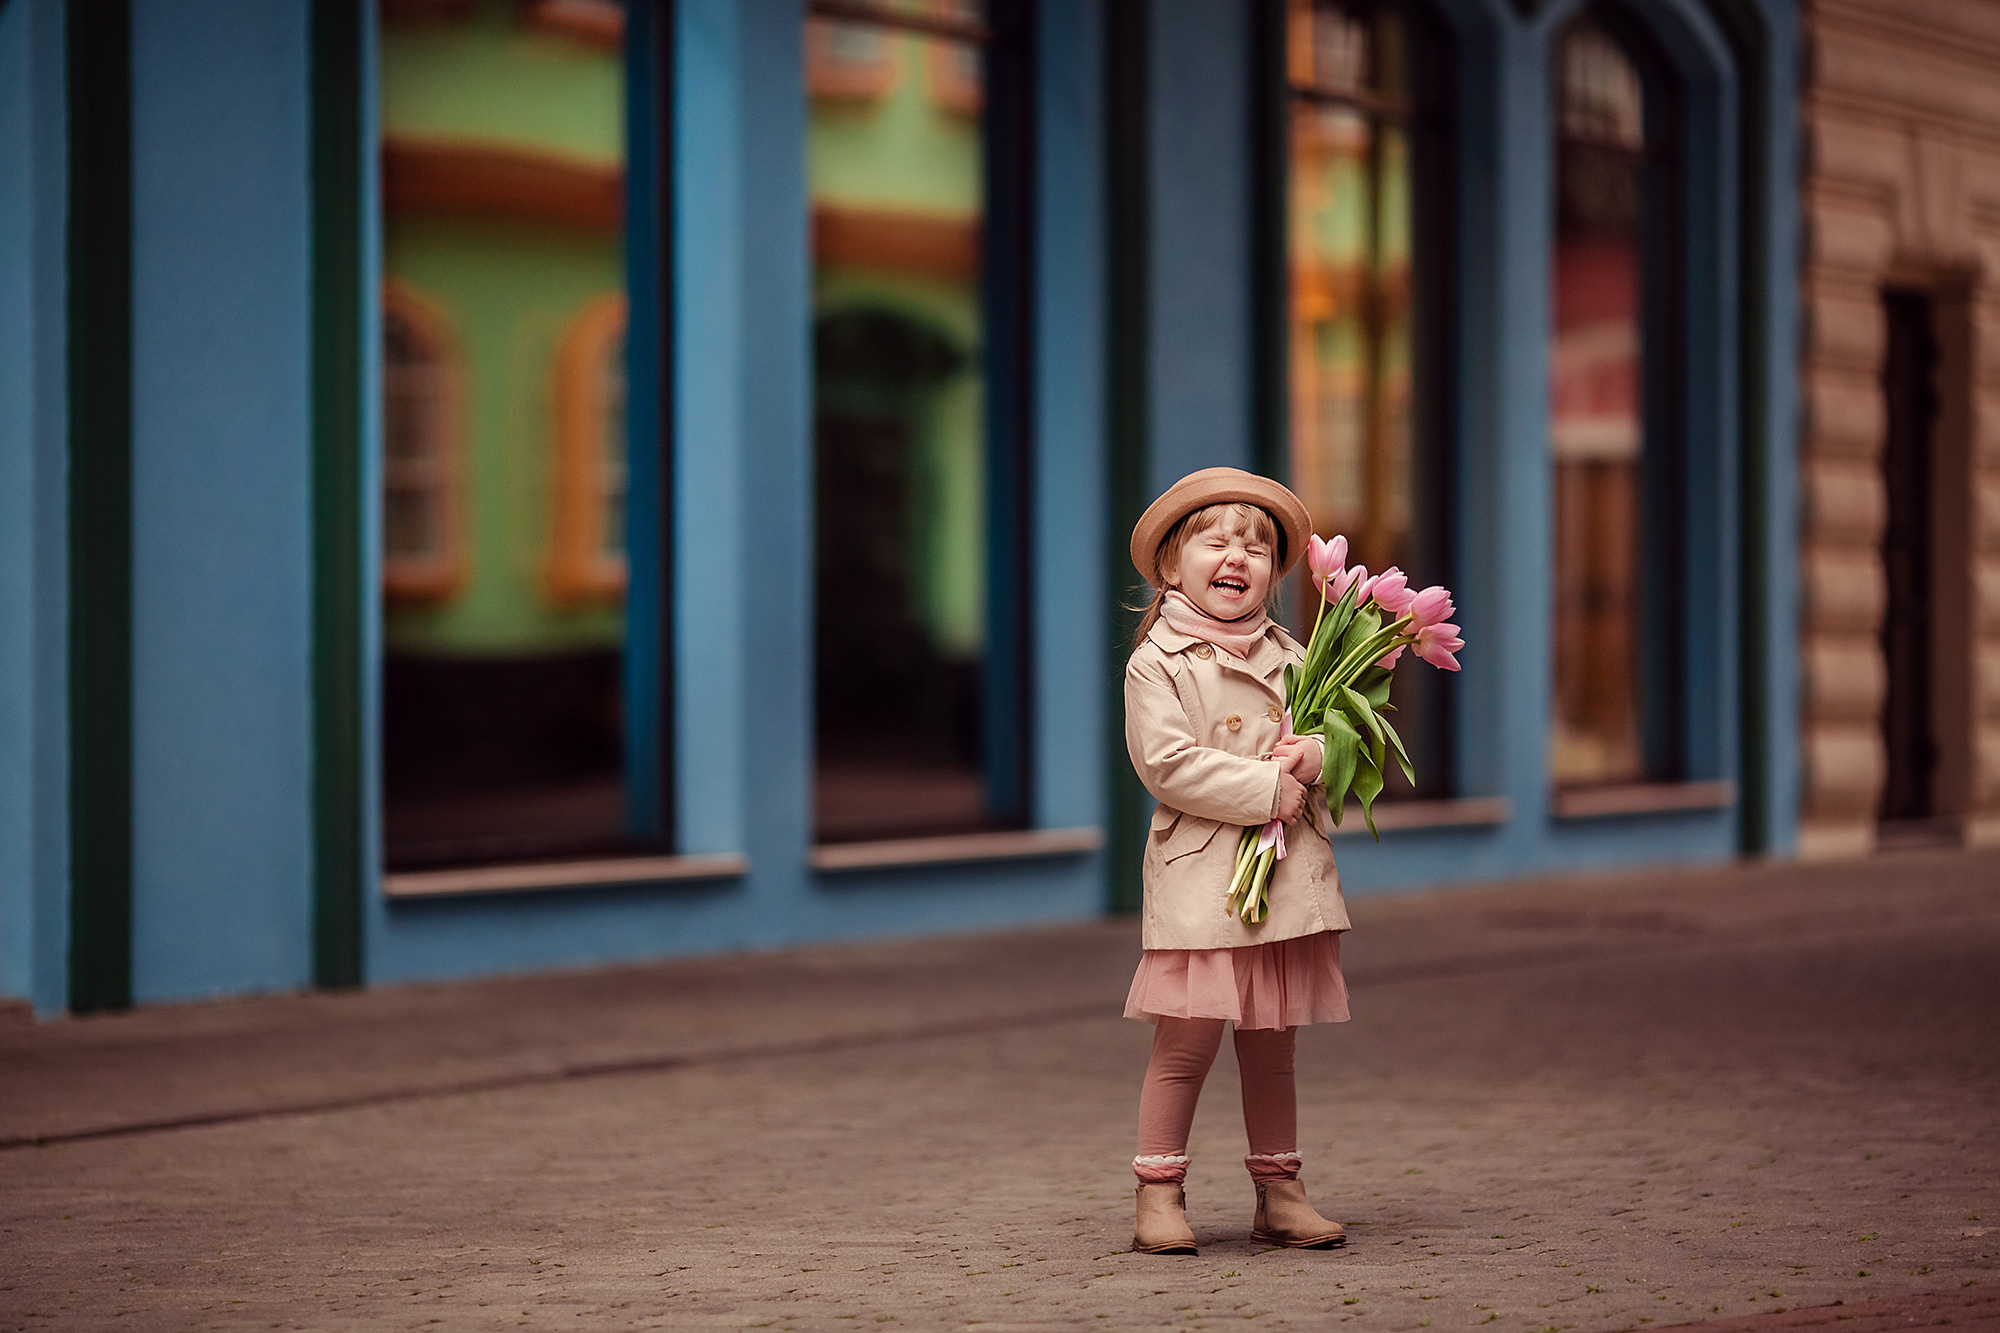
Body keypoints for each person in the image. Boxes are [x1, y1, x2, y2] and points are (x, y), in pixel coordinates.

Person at [1122, 467, 1351, 1256]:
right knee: (1186, 1042)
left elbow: (1342, 742)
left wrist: (1320, 753)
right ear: (1171, 567)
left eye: (1255, 547)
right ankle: (1159, 1192)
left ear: (1273, 574)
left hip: (1278, 879)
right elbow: (1166, 761)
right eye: (1215, 541)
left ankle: (1279, 1191)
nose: (1237, 557)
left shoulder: (1295, 656)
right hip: (1202, 876)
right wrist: (1266, 786)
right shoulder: (1159, 660)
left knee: (1272, 1044)